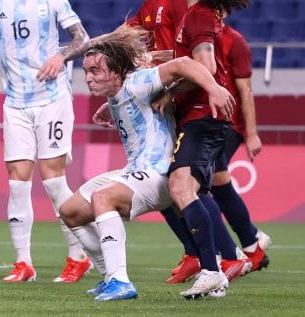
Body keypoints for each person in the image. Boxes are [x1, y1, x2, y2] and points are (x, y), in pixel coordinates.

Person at [59, 24, 234, 301]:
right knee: (69, 211)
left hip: (159, 173)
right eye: (86, 72)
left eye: (95, 71)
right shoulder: (117, 93)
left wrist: (213, 88)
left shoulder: (138, 83)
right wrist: (109, 105)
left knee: (103, 197)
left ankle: (120, 281)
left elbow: (184, 63)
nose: (89, 79)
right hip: (136, 170)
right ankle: (109, 276)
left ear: (116, 72)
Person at [0, 0, 91, 283]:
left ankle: (78, 256)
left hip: (52, 99)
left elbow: (83, 40)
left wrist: (60, 57)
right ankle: (23, 263)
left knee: (53, 181)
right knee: (17, 182)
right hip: (15, 103)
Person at [159, 0, 251, 299]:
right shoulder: (198, 14)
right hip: (204, 118)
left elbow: (206, 67)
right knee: (189, 191)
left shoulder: (198, 15)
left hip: (203, 117)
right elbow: (189, 61)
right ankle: (222, 266)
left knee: (180, 188)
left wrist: (170, 91)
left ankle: (212, 269)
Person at [165, 21, 271, 283]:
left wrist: (252, 133)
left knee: (197, 186)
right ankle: (250, 245)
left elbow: (245, 89)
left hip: (226, 123)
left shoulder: (235, 41)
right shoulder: (194, 33)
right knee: (216, 183)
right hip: (205, 119)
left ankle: (229, 255)